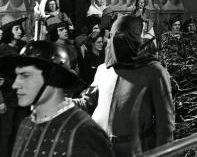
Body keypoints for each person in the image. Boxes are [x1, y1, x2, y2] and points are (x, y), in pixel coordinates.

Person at [74, 14, 175, 156]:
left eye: (124, 36)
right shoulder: (104, 69)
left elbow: (165, 122)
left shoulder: (153, 71)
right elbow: (88, 102)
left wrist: (164, 153)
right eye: (115, 36)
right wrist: (62, 102)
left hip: (134, 150)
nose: (118, 41)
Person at [2, 40, 114, 157]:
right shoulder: (26, 124)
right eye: (17, 76)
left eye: (25, 76)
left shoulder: (83, 131)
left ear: (52, 77)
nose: (15, 84)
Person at [0, 16, 29, 156]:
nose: (20, 31)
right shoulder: (3, 50)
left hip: (21, 99)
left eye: (19, 28)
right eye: (16, 28)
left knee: (21, 133)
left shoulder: (21, 47)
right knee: (7, 134)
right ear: (8, 32)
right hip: (8, 98)